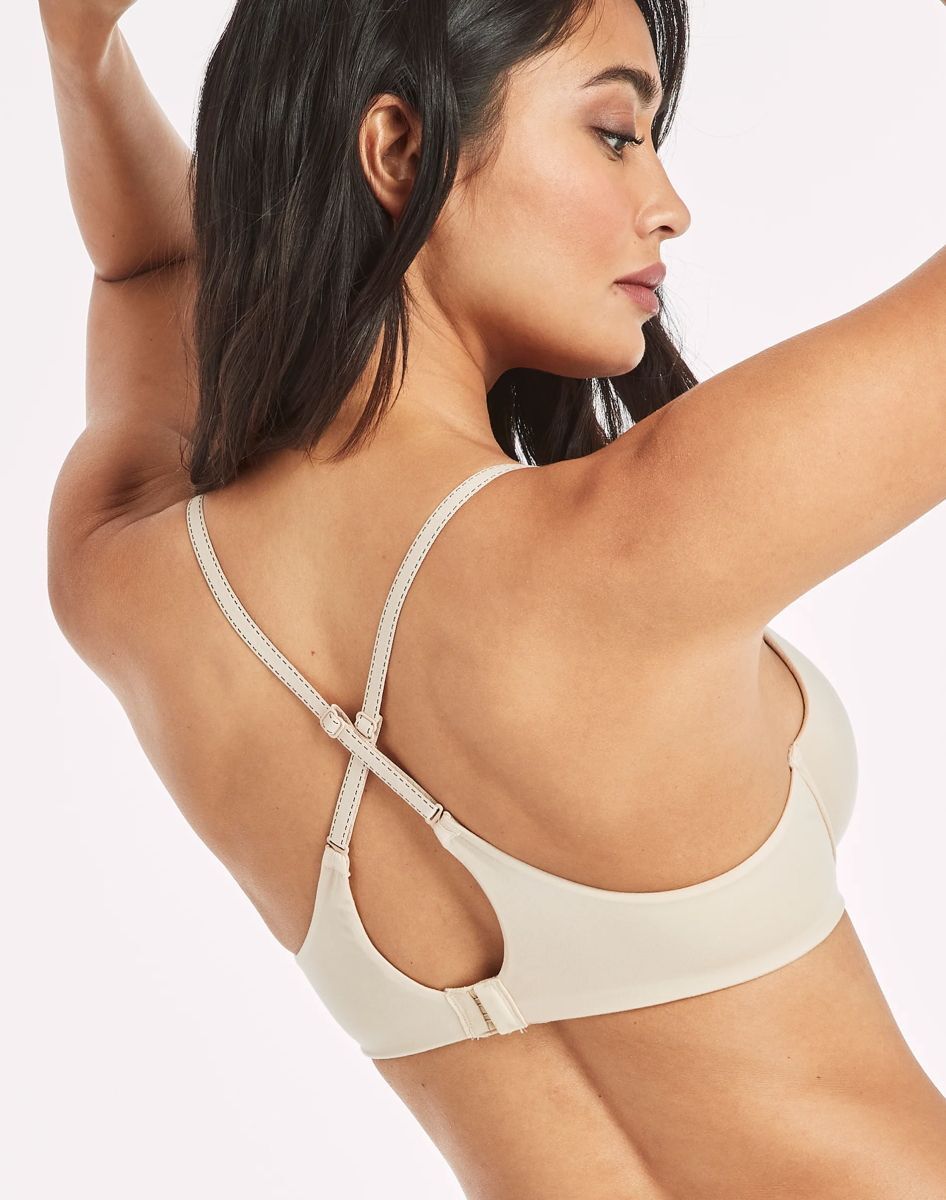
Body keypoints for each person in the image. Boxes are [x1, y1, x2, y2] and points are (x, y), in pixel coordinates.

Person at [41, 0, 946, 1195]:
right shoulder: (640, 541)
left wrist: (81, 49)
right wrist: (86, 56)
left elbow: (152, 269)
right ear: (398, 150)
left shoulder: (131, 571)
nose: (669, 204)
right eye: (615, 133)